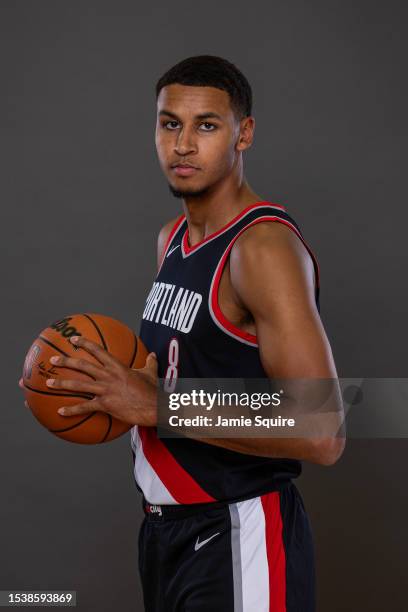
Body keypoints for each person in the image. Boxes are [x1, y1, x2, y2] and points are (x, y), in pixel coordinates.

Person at [24, 55, 344, 611]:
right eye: (170, 123)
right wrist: (112, 383)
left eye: (207, 125)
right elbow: (175, 368)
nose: (184, 145)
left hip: (240, 530)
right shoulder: (171, 238)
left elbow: (322, 427)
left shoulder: (262, 249)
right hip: (166, 533)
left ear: (243, 133)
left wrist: (159, 405)